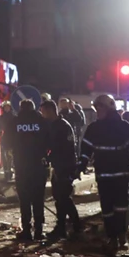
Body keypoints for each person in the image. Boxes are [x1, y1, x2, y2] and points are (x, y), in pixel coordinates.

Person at [79, 95, 129, 250]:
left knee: (121, 206)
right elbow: (86, 149)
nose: (97, 112)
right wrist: (80, 164)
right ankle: (112, 237)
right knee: (107, 207)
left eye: (99, 108)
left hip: (121, 174)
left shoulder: (123, 127)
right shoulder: (94, 128)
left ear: (109, 108)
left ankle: (121, 235)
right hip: (103, 174)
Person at [8, 100, 49, 241]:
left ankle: (26, 231)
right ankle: (39, 231)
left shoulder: (15, 122)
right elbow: (49, 140)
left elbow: (5, 142)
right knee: (38, 199)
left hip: (21, 167)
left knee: (24, 200)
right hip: (38, 166)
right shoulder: (41, 121)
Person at [41, 100, 80, 239]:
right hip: (60, 165)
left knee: (63, 197)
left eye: (44, 112)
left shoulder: (62, 126)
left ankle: (73, 225)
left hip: (65, 166)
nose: (42, 115)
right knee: (60, 197)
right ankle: (65, 226)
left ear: (51, 111)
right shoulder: (54, 125)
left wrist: (54, 161)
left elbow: (64, 148)